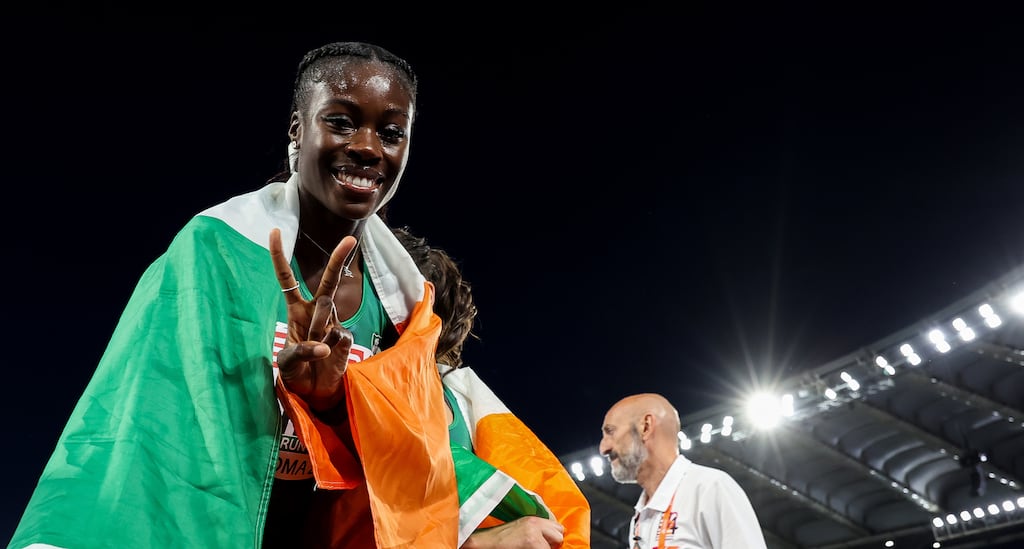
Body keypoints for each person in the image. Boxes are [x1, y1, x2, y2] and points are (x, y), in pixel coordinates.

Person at [10, 41, 588, 549]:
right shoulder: (214, 253)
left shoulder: (403, 311)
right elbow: (149, 433)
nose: (368, 148)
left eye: (391, 133)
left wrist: (330, 404)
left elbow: (408, 469)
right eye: (341, 122)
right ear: (297, 130)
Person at [599, 393, 767, 549]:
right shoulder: (640, 518)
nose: (603, 448)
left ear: (646, 427)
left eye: (610, 432)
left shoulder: (709, 488)